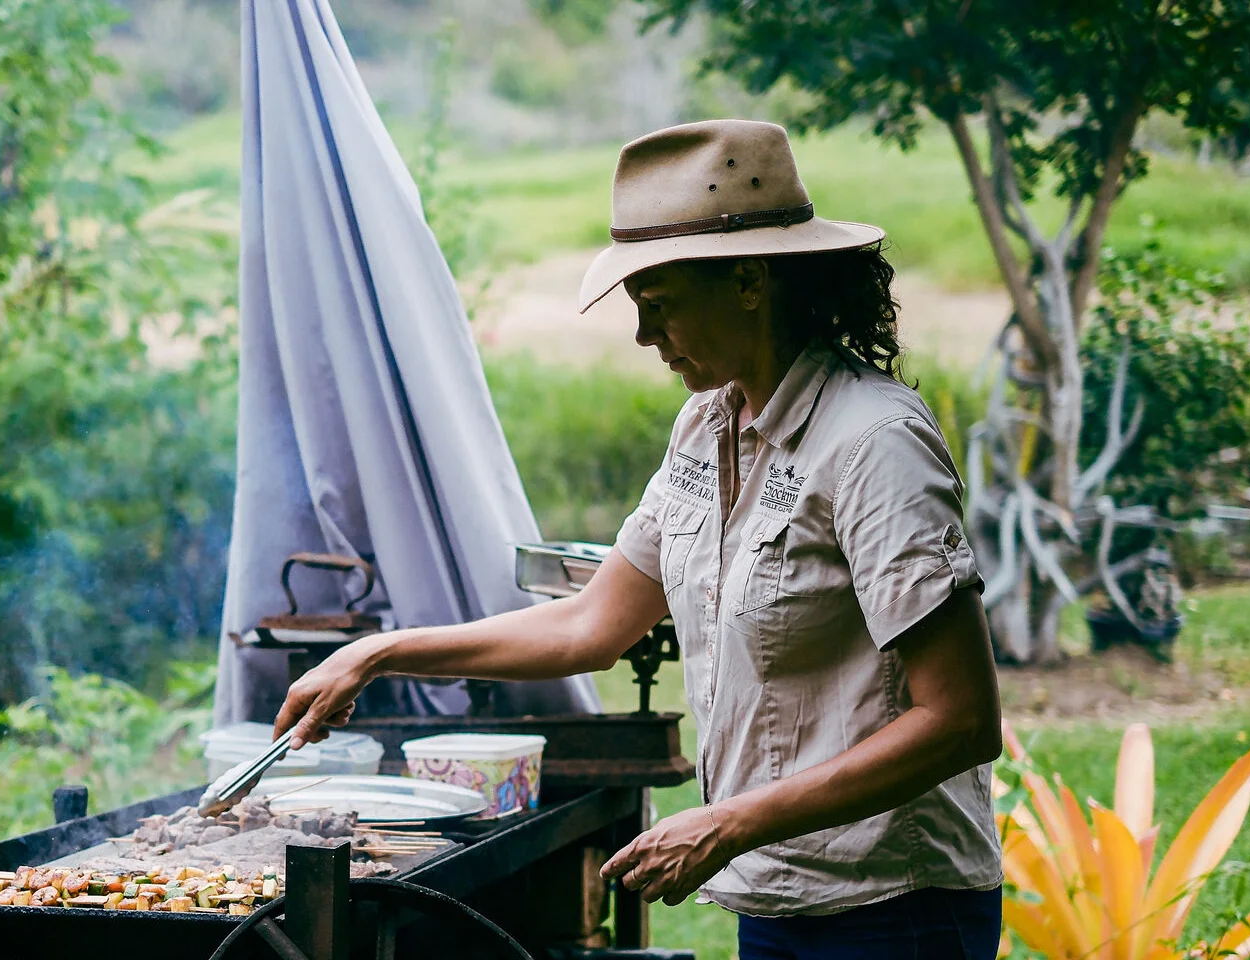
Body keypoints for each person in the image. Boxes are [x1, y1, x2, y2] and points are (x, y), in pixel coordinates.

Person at [274, 119, 1005, 959]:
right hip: (777, 896)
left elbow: (959, 719)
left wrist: (727, 822)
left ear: (748, 283)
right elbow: (592, 624)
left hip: (896, 909)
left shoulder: (873, 443)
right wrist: (381, 651)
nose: (643, 338)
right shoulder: (708, 426)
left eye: (659, 308)